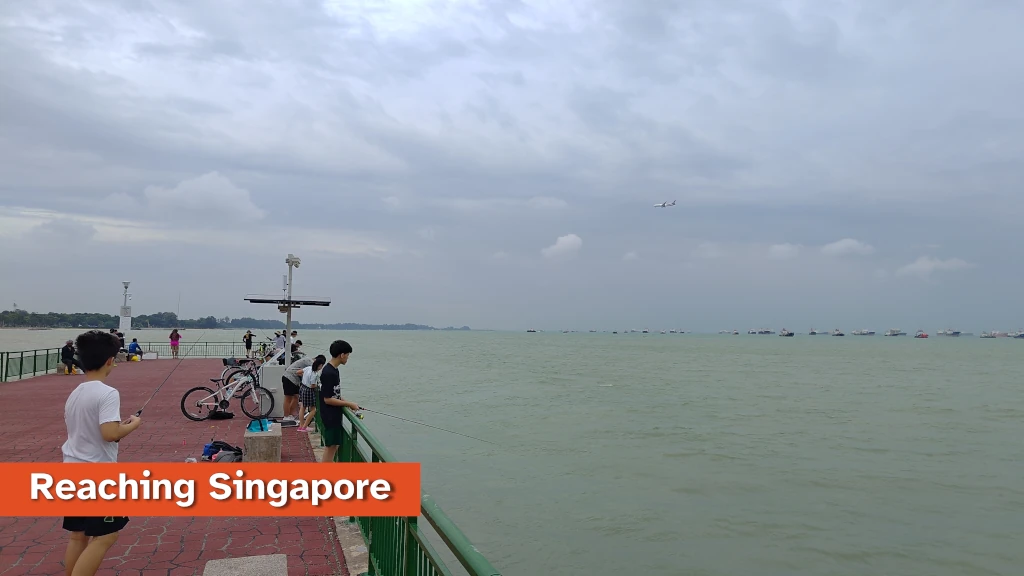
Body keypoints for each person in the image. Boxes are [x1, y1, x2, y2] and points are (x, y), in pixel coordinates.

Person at [61, 330, 142, 576]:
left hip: (71, 469)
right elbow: (109, 433)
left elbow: (93, 430)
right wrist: (133, 425)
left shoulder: (76, 392)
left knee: (78, 535)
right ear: (109, 360)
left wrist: (119, 428)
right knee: (107, 535)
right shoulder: (108, 393)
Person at [319, 340, 360, 463]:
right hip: (330, 415)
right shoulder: (329, 373)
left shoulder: (334, 370)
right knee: (331, 446)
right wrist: (348, 404)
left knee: (335, 445)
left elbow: (334, 394)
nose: (348, 358)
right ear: (342, 355)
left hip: (334, 414)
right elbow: (327, 399)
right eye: (347, 355)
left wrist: (348, 403)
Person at [281, 352, 315, 424]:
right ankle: (286, 416)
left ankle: (291, 415)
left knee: (296, 397)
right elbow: (309, 374)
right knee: (288, 398)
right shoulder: (310, 363)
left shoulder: (308, 361)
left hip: (295, 380)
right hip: (289, 377)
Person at [297, 355, 326, 432]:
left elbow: (298, 372)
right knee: (313, 410)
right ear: (320, 365)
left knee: (302, 407)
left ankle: (301, 426)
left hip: (303, 387)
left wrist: (305, 377)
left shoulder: (308, 368)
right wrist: (319, 385)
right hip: (309, 391)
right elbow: (313, 385)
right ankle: (305, 427)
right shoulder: (314, 374)